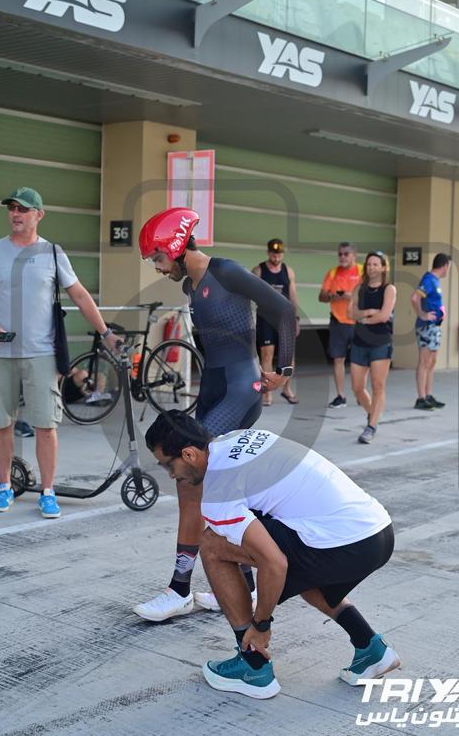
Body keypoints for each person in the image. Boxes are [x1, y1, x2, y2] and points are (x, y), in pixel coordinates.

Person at [146, 410, 400, 699]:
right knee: (304, 571)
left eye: (168, 465)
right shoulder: (239, 439)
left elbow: (274, 563)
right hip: (377, 532)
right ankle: (370, 648)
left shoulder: (219, 491)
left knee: (212, 545)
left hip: (341, 541)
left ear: (189, 454)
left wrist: (261, 624)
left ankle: (253, 665)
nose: (172, 475)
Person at [134, 207, 296, 621]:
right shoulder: (192, 285)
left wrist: (284, 368)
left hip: (240, 390)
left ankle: (179, 590)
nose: (158, 267)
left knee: (190, 479)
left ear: (175, 247)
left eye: (158, 257)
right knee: (214, 485)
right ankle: (245, 582)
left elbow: (283, 310)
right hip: (214, 388)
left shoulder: (225, 270)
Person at [0, 187, 120, 518]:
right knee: (2, 423)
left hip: (41, 353)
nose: (16, 214)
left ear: (39, 215)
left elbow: (80, 295)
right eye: (12, 208)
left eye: (23, 209)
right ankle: (4, 486)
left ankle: (47, 491)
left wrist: (106, 333)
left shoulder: (53, 254)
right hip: (0, 353)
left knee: (45, 425)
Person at [348, 251, 396, 444]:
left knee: (377, 386)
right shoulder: (359, 288)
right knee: (357, 388)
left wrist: (363, 319)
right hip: (359, 341)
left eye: (376, 264)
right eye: (369, 264)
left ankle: (371, 427)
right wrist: (368, 312)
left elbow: (384, 316)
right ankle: (372, 413)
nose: (371, 267)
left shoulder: (389, 289)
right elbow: (351, 313)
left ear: (383, 267)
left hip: (380, 342)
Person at [252, 238, 300, 406]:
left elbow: (293, 296)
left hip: (285, 318)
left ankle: (287, 388)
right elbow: (251, 293)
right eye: (273, 253)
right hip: (265, 317)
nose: (276, 257)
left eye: (279, 254)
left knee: (288, 356)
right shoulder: (259, 270)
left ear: (282, 254)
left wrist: (296, 318)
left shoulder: (288, 271)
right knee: (267, 354)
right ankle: (268, 392)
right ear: (268, 253)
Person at [319, 243, 362, 408]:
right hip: (338, 321)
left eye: (346, 254)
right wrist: (332, 297)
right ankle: (340, 395)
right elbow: (321, 296)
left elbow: (370, 293)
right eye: (340, 254)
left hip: (359, 321)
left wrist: (352, 296)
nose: (342, 257)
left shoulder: (362, 271)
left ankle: (360, 393)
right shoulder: (333, 272)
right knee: (338, 359)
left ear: (354, 255)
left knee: (360, 361)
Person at [411, 253, 451, 410]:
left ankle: (428, 395)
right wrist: (422, 314)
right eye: (448, 267)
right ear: (445, 265)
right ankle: (420, 398)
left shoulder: (435, 280)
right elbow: (415, 298)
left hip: (435, 326)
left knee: (432, 361)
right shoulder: (428, 280)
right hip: (426, 326)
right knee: (424, 361)